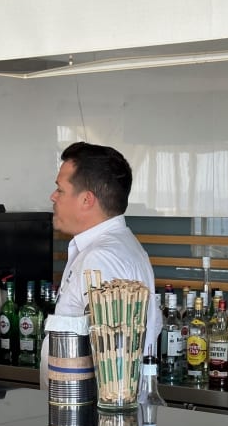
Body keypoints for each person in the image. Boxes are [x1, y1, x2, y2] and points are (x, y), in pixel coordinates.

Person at [49, 142, 162, 354]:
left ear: (86, 199)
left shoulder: (101, 258)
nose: (53, 197)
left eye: (60, 190)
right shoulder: (121, 245)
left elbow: (112, 357)